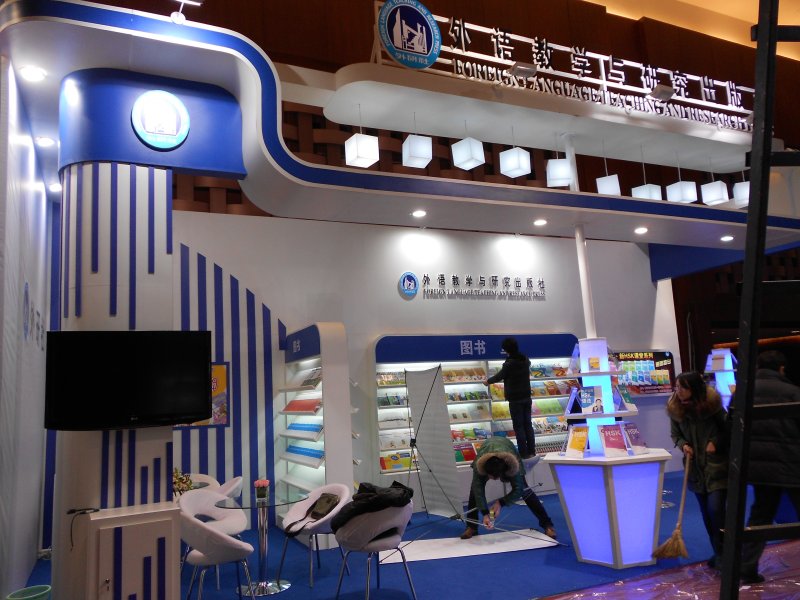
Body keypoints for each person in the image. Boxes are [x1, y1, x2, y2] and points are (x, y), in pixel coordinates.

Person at [740, 350, 800, 584]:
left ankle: (747, 567)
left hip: (758, 467)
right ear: (781, 368)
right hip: (791, 464)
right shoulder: (793, 392)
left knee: (760, 517)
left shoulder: (743, 392)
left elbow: (732, 427)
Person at [667, 371, 729, 570]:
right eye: (677, 387)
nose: (678, 391)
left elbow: (728, 429)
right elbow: (675, 435)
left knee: (716, 510)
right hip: (694, 469)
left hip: (716, 466)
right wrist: (683, 445)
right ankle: (719, 552)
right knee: (706, 514)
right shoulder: (675, 409)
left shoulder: (712, 406)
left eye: (682, 387)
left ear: (693, 388)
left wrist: (715, 443)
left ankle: (727, 552)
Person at [460, 435, 556, 540]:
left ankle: (547, 525)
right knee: (474, 491)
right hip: (486, 450)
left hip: (508, 448)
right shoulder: (480, 466)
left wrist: (500, 503)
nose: (493, 480)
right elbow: (478, 491)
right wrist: (485, 514)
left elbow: (518, 489)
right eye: (489, 477)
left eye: (495, 477)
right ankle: (471, 527)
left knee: (525, 491)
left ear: (503, 473)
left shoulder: (513, 465)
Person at [484, 337, 536, 458]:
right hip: (527, 397)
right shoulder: (525, 360)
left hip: (515, 399)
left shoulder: (509, 364)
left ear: (506, 350)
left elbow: (499, 376)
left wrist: (487, 381)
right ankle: (532, 451)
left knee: (518, 427)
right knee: (528, 424)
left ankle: (523, 454)